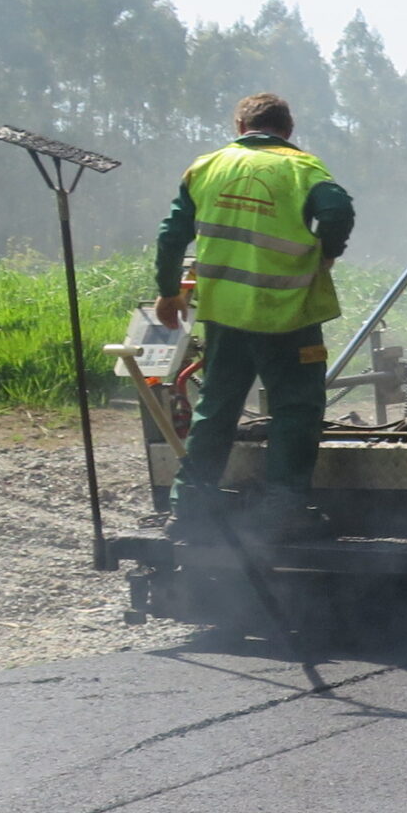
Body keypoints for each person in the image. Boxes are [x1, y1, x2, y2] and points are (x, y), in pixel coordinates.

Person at [153, 93, 355, 541]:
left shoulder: (206, 167)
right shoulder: (303, 169)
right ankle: (284, 509)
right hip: (289, 314)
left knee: (217, 408)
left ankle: (191, 506)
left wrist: (168, 293)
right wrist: (327, 253)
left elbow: (171, 236)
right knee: (296, 409)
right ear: (288, 129)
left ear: (241, 124)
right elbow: (338, 210)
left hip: (226, 314)